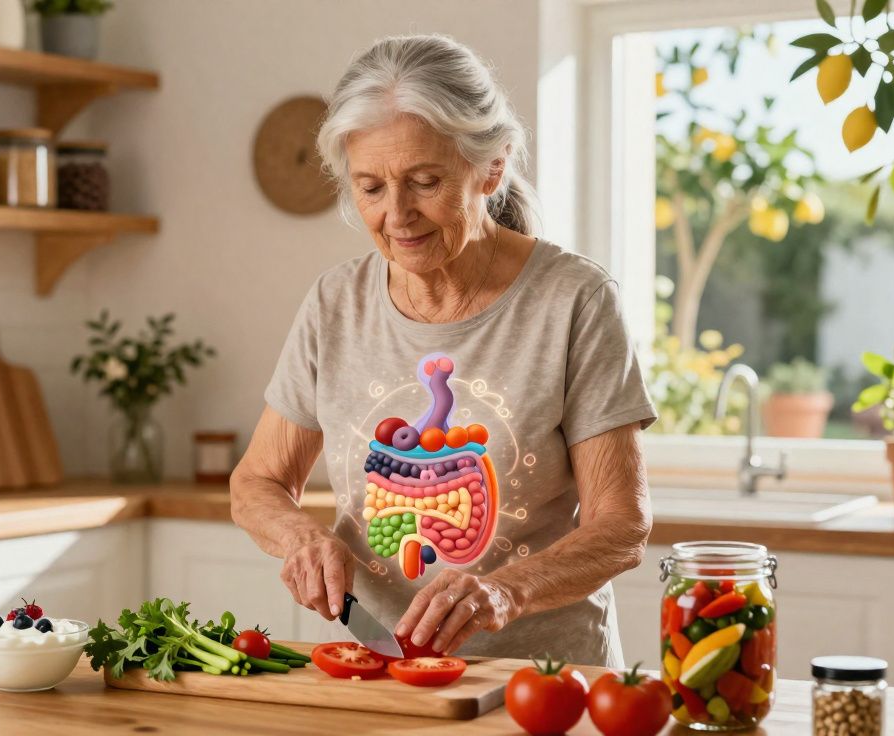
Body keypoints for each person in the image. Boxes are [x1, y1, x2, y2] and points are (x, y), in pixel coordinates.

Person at [229, 34, 658, 666]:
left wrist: (503, 593)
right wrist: (301, 539)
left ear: (492, 167)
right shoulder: (334, 304)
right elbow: (257, 482)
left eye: (424, 182)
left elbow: (622, 526)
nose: (397, 215)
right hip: (375, 665)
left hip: (542, 677)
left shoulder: (576, 300)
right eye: (370, 188)